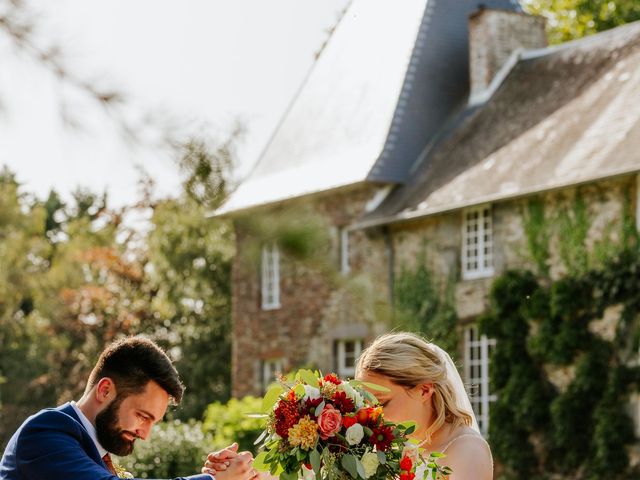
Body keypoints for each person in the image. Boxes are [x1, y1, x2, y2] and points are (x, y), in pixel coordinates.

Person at [0, 336, 258, 480]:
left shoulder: (97, 456)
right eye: (142, 416)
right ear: (104, 390)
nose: (144, 434)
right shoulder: (44, 434)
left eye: (153, 423)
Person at [355, 332, 493, 480]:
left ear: (424, 390)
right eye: (368, 407)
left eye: (382, 403)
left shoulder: (468, 450)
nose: (374, 418)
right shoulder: (389, 453)